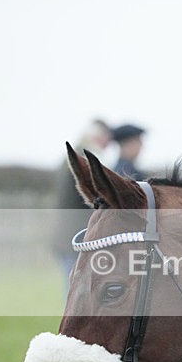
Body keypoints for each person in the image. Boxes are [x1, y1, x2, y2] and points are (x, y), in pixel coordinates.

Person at [53, 119, 114, 281]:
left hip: (67, 235)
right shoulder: (84, 160)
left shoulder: (72, 155)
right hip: (76, 237)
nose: (108, 145)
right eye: (106, 139)